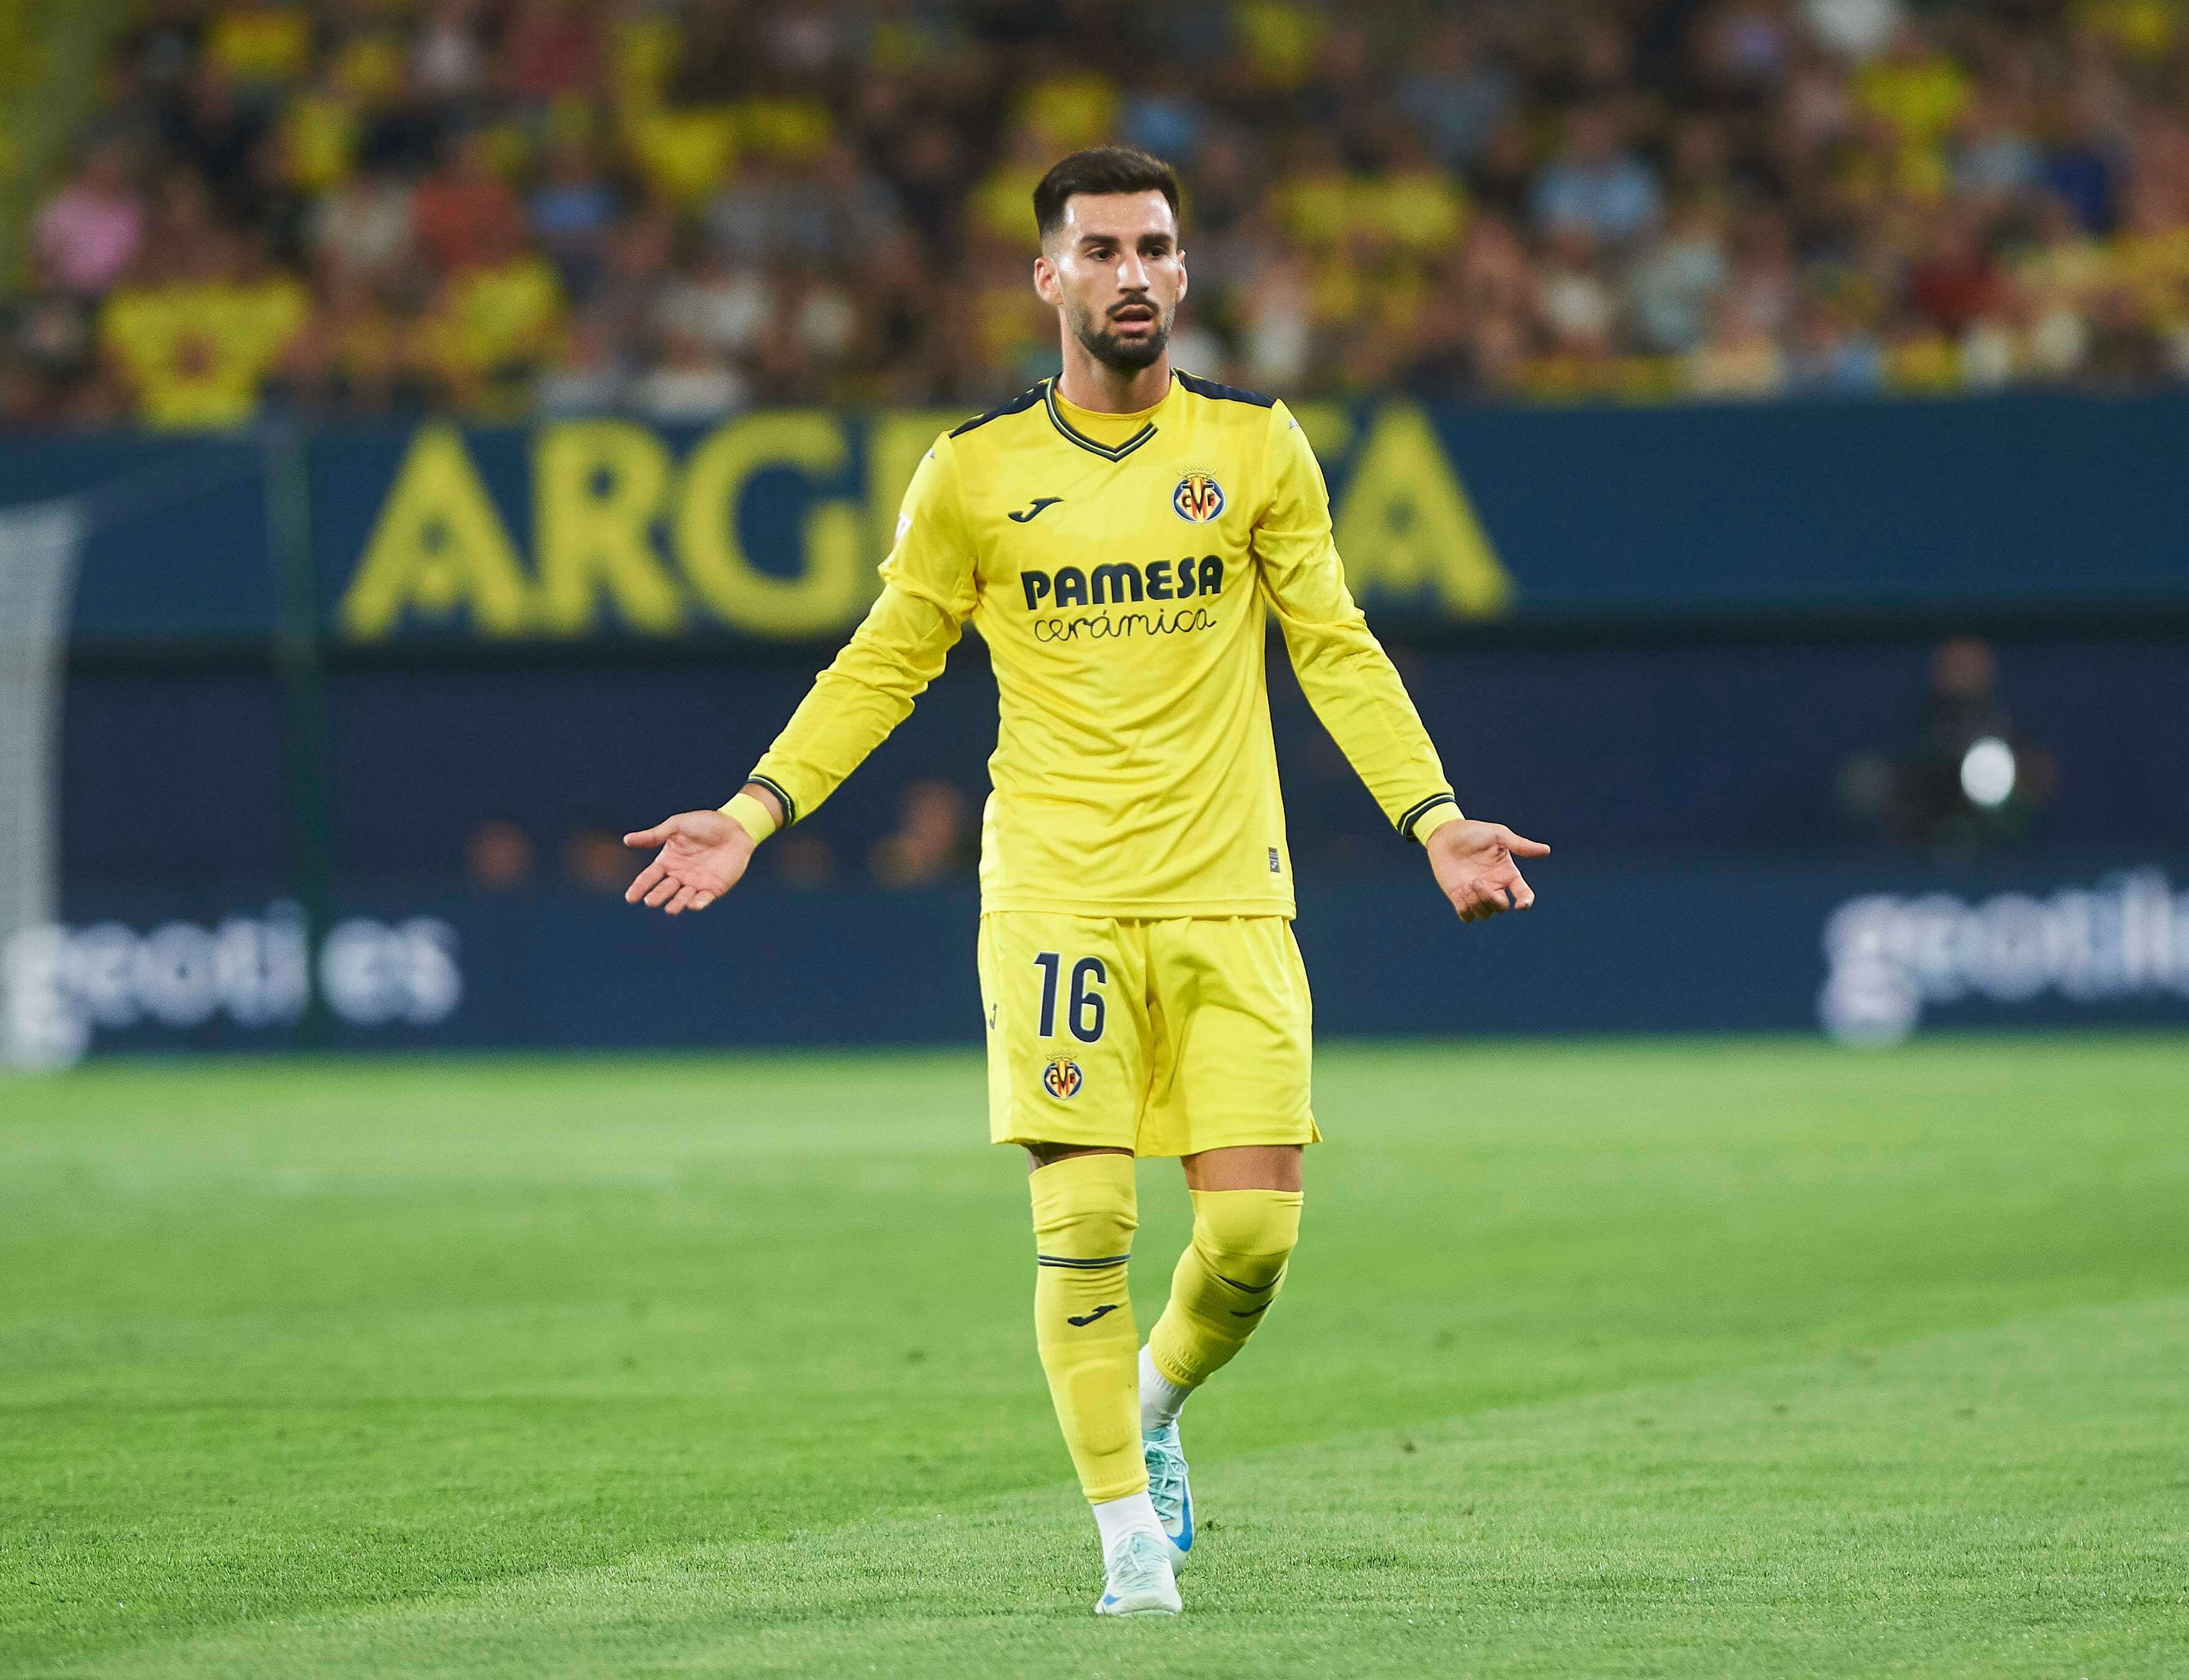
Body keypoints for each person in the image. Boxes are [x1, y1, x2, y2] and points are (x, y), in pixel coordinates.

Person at [621, 145, 1545, 1619]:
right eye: (1102, 249)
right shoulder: (974, 473)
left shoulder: (1256, 448)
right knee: (1088, 1229)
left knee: (1250, 1242)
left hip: (1230, 894)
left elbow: (1335, 647)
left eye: (1155, 247)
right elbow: (885, 660)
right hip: (1053, 897)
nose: (1132, 273)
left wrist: (1431, 820)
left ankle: (1152, 1403)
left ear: (1184, 271)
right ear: (1046, 275)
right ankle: (1128, 1550)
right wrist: (755, 810)